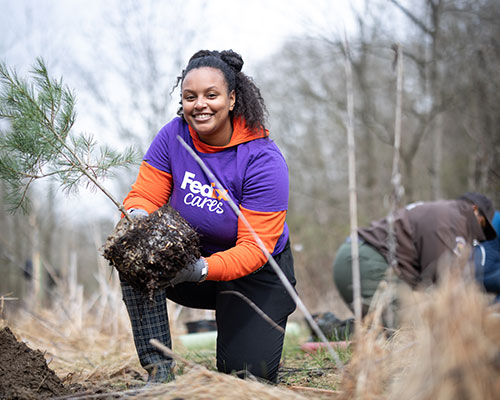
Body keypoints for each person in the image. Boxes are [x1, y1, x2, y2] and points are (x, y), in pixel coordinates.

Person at [118, 49, 296, 384]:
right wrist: (137, 217)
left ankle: (243, 340)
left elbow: (254, 249)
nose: (200, 104)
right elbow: (145, 193)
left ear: (231, 99)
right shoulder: (174, 135)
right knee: (130, 249)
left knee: (243, 379)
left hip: (255, 274)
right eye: (190, 96)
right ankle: (160, 373)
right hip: (189, 265)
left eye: (211, 95)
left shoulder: (262, 159)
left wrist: (201, 269)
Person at [332, 192, 497, 319]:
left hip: (355, 257)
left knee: (394, 324)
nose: (481, 234)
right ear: (475, 210)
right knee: (410, 330)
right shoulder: (453, 220)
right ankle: (332, 331)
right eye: (483, 225)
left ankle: (328, 328)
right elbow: (441, 277)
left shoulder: (442, 212)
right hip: (364, 262)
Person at [473, 210, 500, 302]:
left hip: (464, 275)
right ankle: (494, 310)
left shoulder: (463, 218)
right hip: (486, 273)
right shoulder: (496, 217)